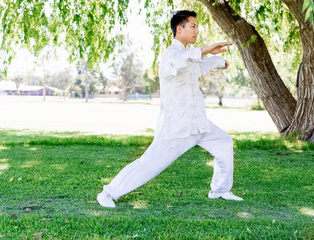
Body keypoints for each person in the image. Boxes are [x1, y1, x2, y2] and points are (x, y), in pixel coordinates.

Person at [97, 10, 243, 208]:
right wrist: (206, 50)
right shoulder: (171, 56)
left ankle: (220, 190)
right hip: (176, 127)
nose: (197, 31)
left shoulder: (187, 57)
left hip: (198, 123)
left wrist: (218, 61)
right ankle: (108, 193)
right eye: (193, 26)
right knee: (149, 164)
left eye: (197, 27)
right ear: (179, 29)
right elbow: (182, 62)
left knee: (224, 142)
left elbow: (196, 67)